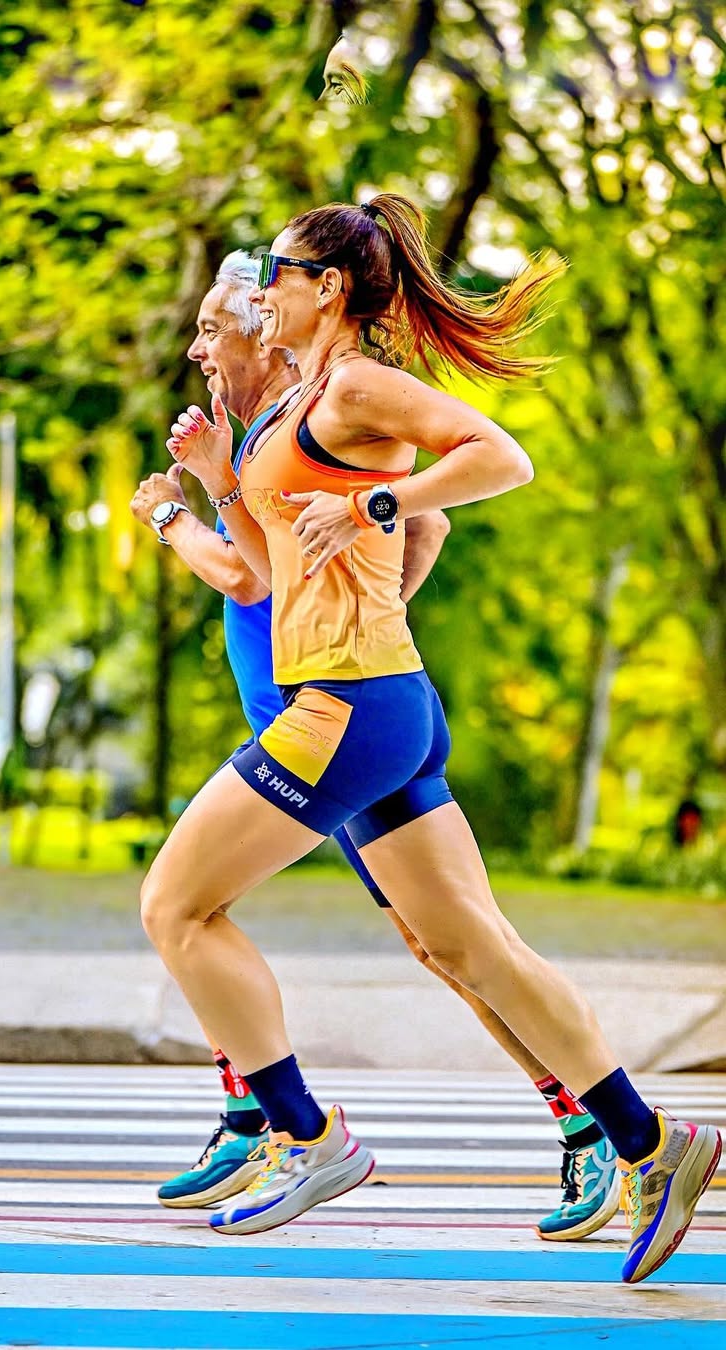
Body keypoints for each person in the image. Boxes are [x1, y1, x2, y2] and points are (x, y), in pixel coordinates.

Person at [141, 197, 720, 1284]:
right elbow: (265, 568)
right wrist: (221, 486)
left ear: (329, 289)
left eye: (282, 269)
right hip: (378, 703)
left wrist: (381, 508)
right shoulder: (302, 399)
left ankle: (307, 1135)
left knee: (174, 906)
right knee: (469, 947)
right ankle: (650, 1144)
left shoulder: (356, 387)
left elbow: (501, 458)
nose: (265, 283)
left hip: (345, 709)